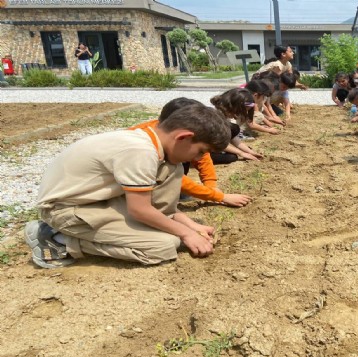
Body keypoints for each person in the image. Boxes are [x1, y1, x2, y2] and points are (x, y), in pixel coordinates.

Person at [24, 104, 231, 269]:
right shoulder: (140, 151)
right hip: (64, 210)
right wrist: (186, 234)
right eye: (200, 152)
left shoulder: (153, 144)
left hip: (95, 201)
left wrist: (190, 226)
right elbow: (140, 209)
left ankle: (63, 235)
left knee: (173, 171)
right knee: (162, 245)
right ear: (183, 137)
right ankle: (56, 239)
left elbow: (158, 205)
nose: (198, 158)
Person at [129, 98, 253, 206]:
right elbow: (175, 176)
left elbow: (204, 159)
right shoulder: (146, 147)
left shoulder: (172, 141)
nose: (199, 157)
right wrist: (218, 196)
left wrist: (211, 186)